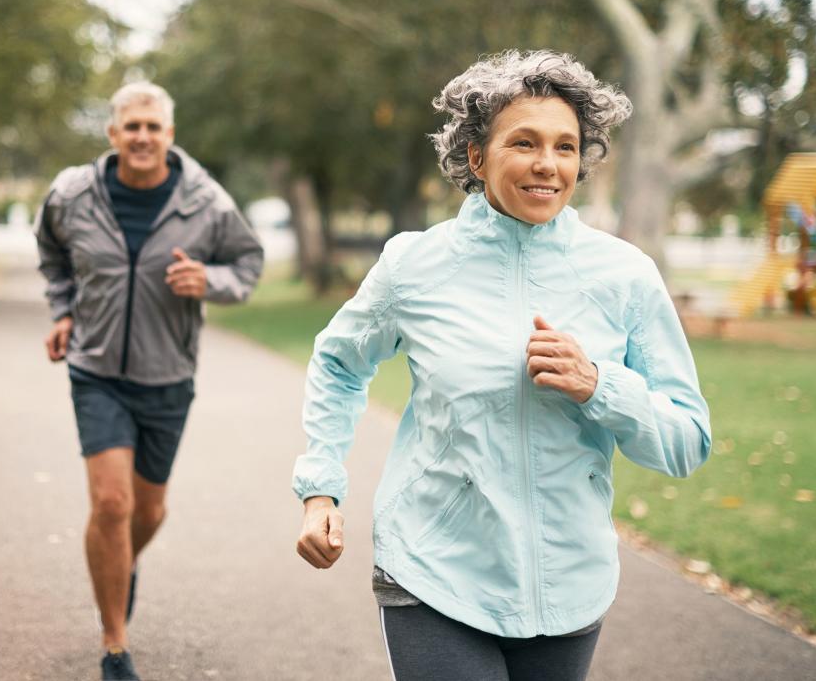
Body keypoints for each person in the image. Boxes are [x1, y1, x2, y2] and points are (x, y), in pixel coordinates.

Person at [293, 50, 711, 681]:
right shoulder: (415, 267)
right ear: (476, 157)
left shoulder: (625, 275)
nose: (547, 164)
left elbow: (687, 442)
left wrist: (600, 385)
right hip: (433, 568)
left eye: (566, 147)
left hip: (570, 583)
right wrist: (320, 485)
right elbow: (338, 361)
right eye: (524, 142)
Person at [36, 81, 263, 681]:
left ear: (169, 135)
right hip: (96, 369)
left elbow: (247, 263)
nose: (141, 137)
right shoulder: (72, 194)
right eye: (131, 126)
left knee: (150, 510)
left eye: (153, 127)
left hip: (169, 375)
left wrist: (208, 282)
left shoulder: (206, 202)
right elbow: (53, 253)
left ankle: (117, 567)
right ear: (112, 134)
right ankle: (115, 643)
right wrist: (62, 310)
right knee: (111, 503)